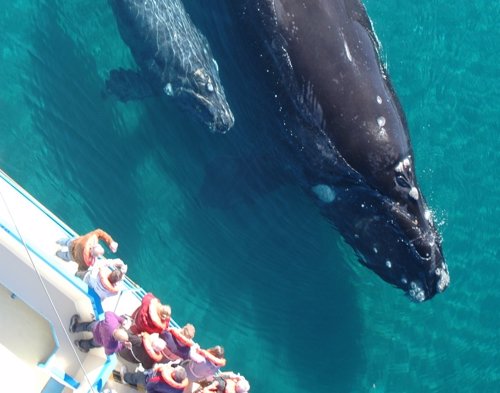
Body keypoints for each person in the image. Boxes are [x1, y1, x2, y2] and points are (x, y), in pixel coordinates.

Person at [120, 363, 188, 393]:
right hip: (156, 389)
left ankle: (125, 378)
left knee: (136, 378)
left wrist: (155, 369)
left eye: (174, 370)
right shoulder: (180, 389)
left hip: (147, 380)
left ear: (173, 374)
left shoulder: (159, 379)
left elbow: (150, 385)